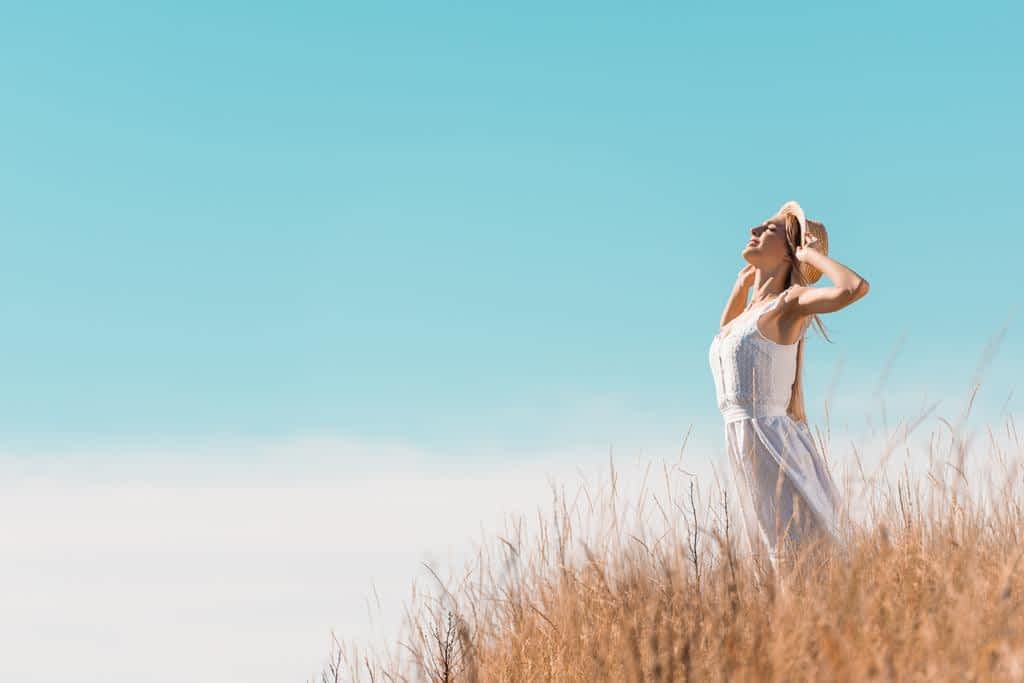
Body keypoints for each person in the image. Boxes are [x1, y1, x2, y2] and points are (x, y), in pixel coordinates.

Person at [707, 200, 869, 571]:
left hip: (773, 444)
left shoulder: (789, 303)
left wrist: (810, 255)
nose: (754, 231)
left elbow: (854, 287)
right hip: (745, 443)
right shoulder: (751, 312)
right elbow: (725, 334)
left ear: (790, 250)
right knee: (769, 561)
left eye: (768, 229)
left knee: (800, 556)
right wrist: (742, 283)